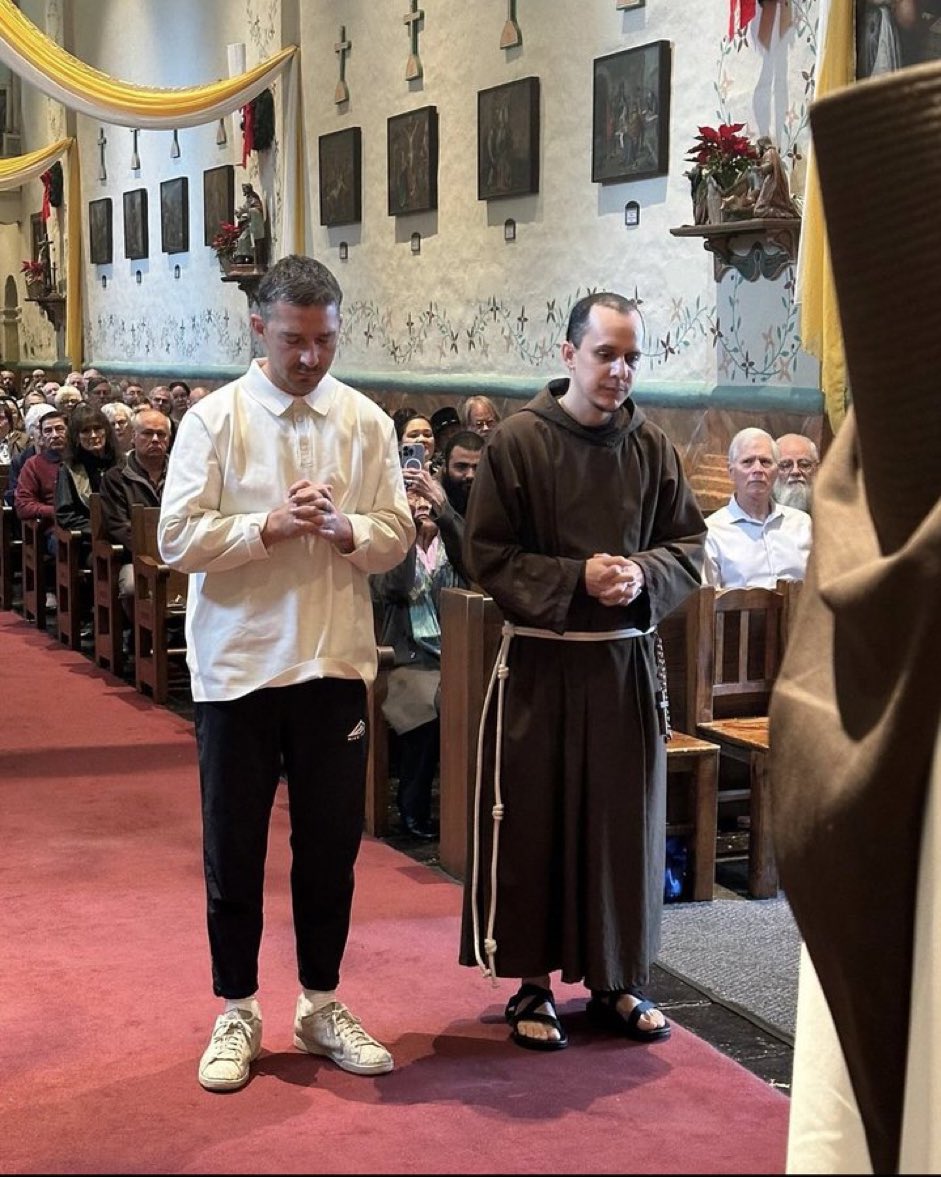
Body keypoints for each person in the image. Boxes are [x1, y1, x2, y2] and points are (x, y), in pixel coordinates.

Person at [157, 254, 413, 1093]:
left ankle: (320, 1000)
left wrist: (347, 530)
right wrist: (266, 525)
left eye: (324, 340)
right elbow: (176, 540)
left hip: (332, 664)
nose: (309, 357)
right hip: (237, 668)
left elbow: (396, 532)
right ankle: (236, 1007)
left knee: (330, 849)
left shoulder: (366, 422)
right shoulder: (214, 422)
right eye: (294, 339)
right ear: (257, 328)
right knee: (233, 848)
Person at [459, 291, 706, 1051]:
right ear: (568, 354)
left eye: (631, 356)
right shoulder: (518, 443)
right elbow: (489, 555)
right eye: (606, 354)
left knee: (620, 826)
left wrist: (642, 573)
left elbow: (690, 546)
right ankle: (531, 986)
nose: (620, 370)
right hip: (541, 662)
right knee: (536, 818)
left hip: (623, 668)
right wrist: (577, 580)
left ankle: (616, 979)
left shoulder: (653, 448)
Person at [372, 484, 460, 840]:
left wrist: (448, 520)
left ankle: (469, 814)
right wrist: (407, 532)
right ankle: (414, 808)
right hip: (405, 658)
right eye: (411, 494)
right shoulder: (385, 544)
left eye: (425, 495)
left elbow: (479, 567)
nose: (420, 503)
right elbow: (392, 587)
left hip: (456, 653)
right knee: (428, 708)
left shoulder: (451, 542)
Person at [702, 427, 812, 588]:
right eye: (747, 462)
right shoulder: (712, 531)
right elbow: (705, 601)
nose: (758, 469)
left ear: (776, 470)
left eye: (765, 462)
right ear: (731, 472)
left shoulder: (802, 524)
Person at [98, 407, 171, 604]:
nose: (155, 439)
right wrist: (155, 550)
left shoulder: (181, 474)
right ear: (133, 437)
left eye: (161, 434)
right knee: (132, 588)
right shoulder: (116, 477)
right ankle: (141, 634)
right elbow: (118, 526)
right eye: (147, 433)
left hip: (177, 551)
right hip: (134, 556)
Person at [403, 427, 483, 584]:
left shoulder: (491, 503)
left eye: (477, 467)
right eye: (461, 467)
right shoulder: (425, 505)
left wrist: (443, 507)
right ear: (445, 468)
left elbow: (476, 564)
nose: (470, 475)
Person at [773, 433, 819, 514]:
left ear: (816, 469)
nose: (795, 471)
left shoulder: (830, 516)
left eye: (804, 465)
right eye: (785, 465)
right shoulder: (762, 513)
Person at [234, 182, 267, 269]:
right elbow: (245, 208)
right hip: (249, 224)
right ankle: (243, 257)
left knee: (244, 238)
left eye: (244, 189)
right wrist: (239, 212)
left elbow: (256, 210)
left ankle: (249, 257)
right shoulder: (249, 198)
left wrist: (247, 212)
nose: (244, 191)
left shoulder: (253, 198)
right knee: (241, 239)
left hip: (254, 225)